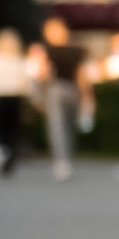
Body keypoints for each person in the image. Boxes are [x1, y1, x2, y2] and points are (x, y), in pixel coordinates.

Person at [38, 18, 90, 180]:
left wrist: (40, 95)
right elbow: (82, 77)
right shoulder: (76, 50)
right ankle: (65, 159)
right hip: (72, 90)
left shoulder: (46, 51)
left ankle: (62, 160)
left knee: (58, 126)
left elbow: (43, 74)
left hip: (56, 89)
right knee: (68, 125)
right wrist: (87, 96)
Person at [0, 27, 31, 174]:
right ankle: (10, 153)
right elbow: (26, 82)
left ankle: (5, 152)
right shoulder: (18, 60)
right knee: (12, 129)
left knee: (0, 129)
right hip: (14, 98)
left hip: (0, 98)